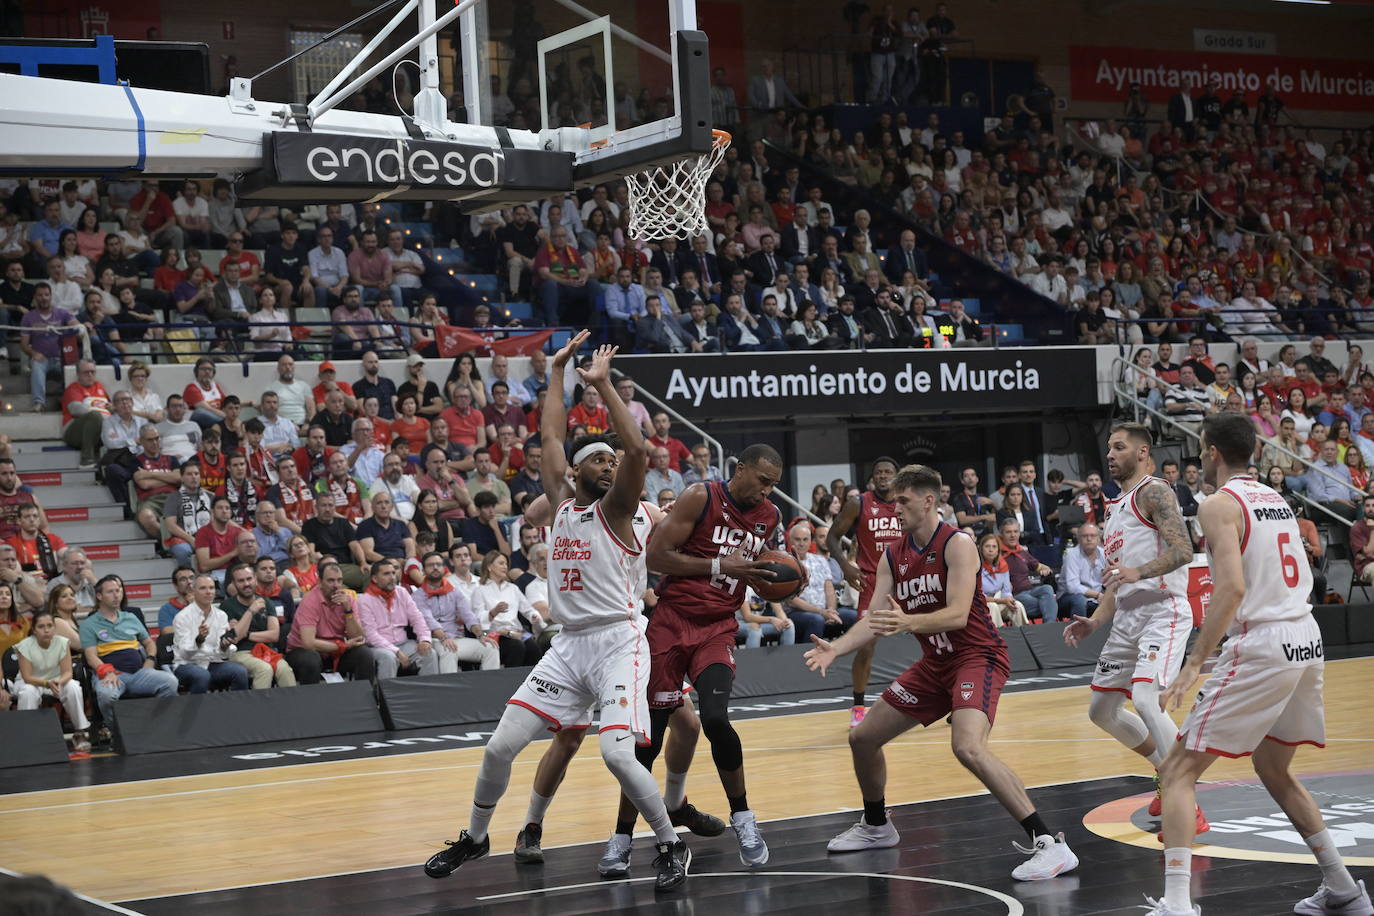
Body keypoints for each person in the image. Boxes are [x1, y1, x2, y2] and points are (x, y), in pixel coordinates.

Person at [425, 333, 692, 892]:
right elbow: (549, 433)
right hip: (569, 644)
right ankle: (476, 837)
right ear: (575, 473)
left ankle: (670, 842)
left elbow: (639, 452)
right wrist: (554, 373)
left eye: (611, 460)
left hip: (620, 640)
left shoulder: (620, 508)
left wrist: (600, 388)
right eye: (597, 459)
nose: (609, 465)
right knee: (500, 746)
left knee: (618, 755)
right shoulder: (563, 506)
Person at [1145, 412, 1372, 916]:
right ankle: (1342, 887)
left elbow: (1231, 589)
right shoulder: (1278, 500)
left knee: (1178, 770)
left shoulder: (1218, 505)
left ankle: (1177, 904)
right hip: (1306, 639)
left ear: (1210, 452)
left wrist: (1193, 663)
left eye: (1200, 449)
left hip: (1264, 640)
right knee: (1273, 768)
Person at [803, 464, 1077, 880]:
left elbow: (956, 613)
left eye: (904, 501)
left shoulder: (958, 544)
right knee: (862, 737)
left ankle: (1049, 843)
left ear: (929, 501)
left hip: (977, 656)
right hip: (935, 665)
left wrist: (908, 623)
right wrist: (837, 648)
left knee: (967, 747)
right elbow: (875, 614)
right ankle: (877, 826)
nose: (896, 509)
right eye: (894, 501)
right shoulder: (892, 556)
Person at [640, 440, 784, 867]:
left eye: (773, 485)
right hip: (671, 620)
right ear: (739, 469)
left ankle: (743, 817)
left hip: (716, 627)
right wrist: (722, 566)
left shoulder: (770, 516)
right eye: (762, 481)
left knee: (716, 719)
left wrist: (776, 578)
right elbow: (657, 556)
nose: (766, 493)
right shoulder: (700, 496)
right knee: (650, 735)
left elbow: (751, 570)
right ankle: (633, 833)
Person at [1064, 424, 1206, 831]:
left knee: (1145, 700)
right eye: (1108, 447)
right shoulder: (1114, 508)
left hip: (1164, 609)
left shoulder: (1155, 491)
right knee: (1102, 711)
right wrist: (1094, 621)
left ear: (1143, 452)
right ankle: (1164, 772)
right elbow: (1117, 581)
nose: (1110, 454)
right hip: (1127, 617)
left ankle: (1185, 795)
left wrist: (1137, 571)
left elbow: (1183, 550)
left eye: (1119, 447)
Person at [827, 457, 903, 728]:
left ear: (897, 476)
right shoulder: (859, 502)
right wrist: (846, 565)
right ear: (873, 478)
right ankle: (858, 706)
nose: (883, 476)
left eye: (888, 472)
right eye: (878, 472)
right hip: (874, 582)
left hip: (907, 578)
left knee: (937, 636)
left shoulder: (906, 502)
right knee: (866, 644)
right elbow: (831, 537)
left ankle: (953, 697)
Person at [81, 575, 178, 722]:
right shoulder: (89, 624)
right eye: (110, 592)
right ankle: (118, 734)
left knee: (170, 682)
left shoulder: (131, 617)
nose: (116, 595)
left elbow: (149, 643)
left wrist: (150, 660)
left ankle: (155, 724)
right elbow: (91, 656)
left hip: (139, 674)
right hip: (111, 675)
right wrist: (107, 672)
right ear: (99, 596)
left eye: (118, 590)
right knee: (106, 696)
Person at [14, 609, 91, 751]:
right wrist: (46, 683)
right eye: (41, 626)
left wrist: (59, 682)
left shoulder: (63, 643)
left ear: (55, 628)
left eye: (50, 626)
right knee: (28, 692)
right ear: (34, 630)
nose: (46, 630)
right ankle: (26, 737)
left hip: (56, 681)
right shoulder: (25, 645)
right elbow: (27, 677)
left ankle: (79, 733)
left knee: (73, 686)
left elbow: (68, 672)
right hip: (31, 682)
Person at [171, 573, 251, 693]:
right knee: (202, 676)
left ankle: (237, 709)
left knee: (240, 672)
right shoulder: (182, 617)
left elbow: (222, 654)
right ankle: (197, 711)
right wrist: (199, 640)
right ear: (193, 591)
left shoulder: (221, 615)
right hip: (186, 665)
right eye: (203, 588)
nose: (208, 592)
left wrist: (225, 645)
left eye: (211, 588)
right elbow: (184, 654)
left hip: (212, 662)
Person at [1056, 522, 1105, 621]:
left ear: (1098, 538)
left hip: (1097, 597)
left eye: (1093, 535)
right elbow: (1072, 587)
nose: (1089, 539)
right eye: (1085, 536)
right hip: (1069, 597)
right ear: (1078, 538)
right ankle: (1077, 633)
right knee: (1079, 600)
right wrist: (1097, 595)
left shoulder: (1104, 554)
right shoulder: (1071, 555)